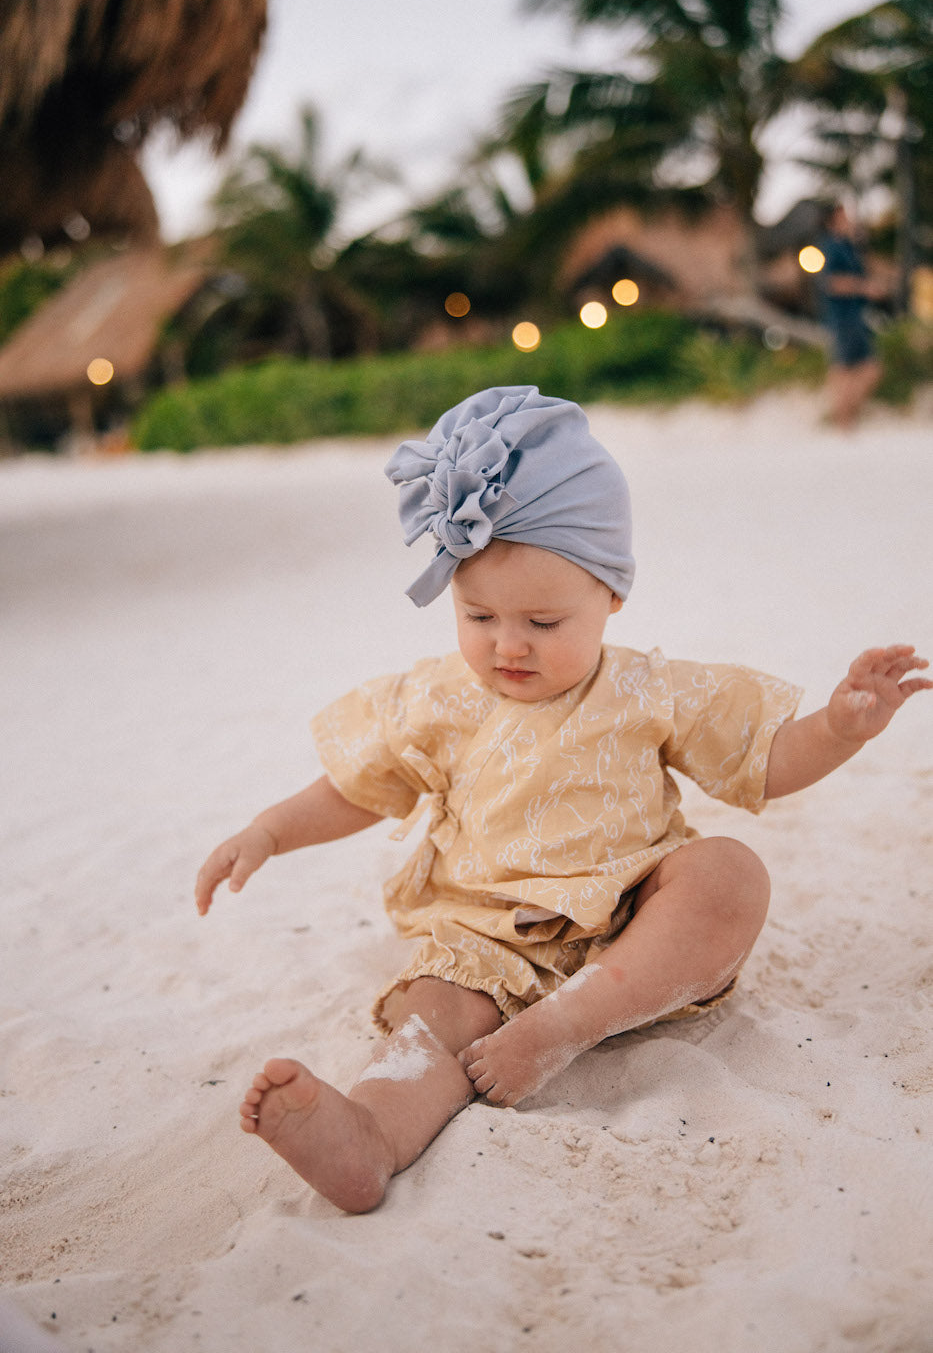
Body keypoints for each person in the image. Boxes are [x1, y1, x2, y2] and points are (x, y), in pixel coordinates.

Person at [194, 385, 930, 1214]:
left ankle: (569, 1023)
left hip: (630, 924)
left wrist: (839, 726)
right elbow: (358, 786)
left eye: (544, 622)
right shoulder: (438, 701)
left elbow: (764, 761)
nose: (508, 644)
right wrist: (268, 832)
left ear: (610, 597)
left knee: (728, 873)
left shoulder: (649, 690)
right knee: (427, 1029)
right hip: (486, 938)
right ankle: (367, 1135)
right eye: (477, 616)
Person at [817, 201, 887, 430]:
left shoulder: (849, 246)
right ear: (832, 221)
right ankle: (842, 420)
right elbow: (830, 283)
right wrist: (864, 287)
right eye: (844, 217)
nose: (849, 221)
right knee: (845, 368)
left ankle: (846, 417)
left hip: (857, 315)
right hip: (842, 316)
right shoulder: (831, 247)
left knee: (867, 368)